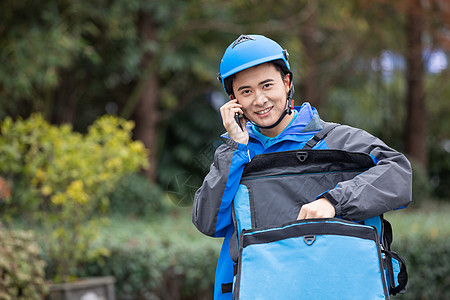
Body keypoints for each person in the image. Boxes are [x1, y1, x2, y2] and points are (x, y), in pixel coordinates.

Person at [192, 34, 412, 300]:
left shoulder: (340, 141)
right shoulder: (234, 154)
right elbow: (208, 222)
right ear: (233, 100)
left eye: (267, 85)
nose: (259, 99)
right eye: (246, 91)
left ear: (287, 83)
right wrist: (236, 149)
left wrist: (334, 202)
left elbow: (399, 172)